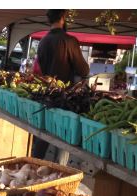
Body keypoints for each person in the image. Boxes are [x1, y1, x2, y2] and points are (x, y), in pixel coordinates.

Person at [32, 9, 90, 159]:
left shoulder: (43, 42)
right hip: (65, 99)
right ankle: (59, 175)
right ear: (63, 18)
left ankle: (33, 169)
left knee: (42, 136)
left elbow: (42, 68)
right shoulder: (69, 41)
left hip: (45, 95)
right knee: (64, 139)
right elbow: (84, 70)